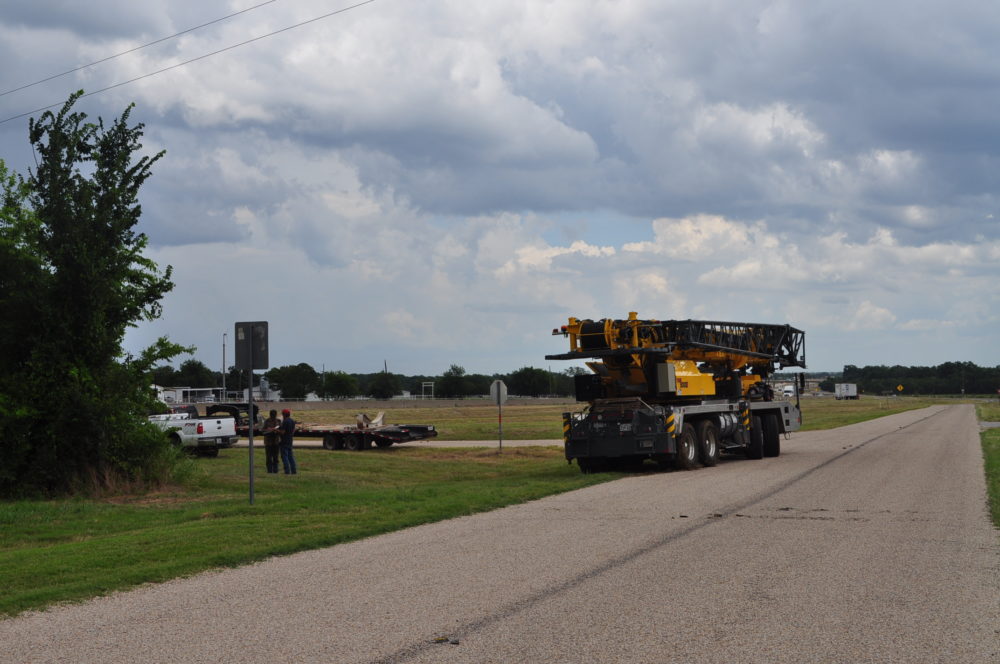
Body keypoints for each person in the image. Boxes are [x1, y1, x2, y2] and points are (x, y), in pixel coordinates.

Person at [278, 408, 297, 475]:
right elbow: (293, 431)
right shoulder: (292, 421)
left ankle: (287, 471)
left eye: (282, 414)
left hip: (284, 441)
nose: (282, 415)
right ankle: (294, 471)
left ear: (284, 414)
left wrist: (276, 430)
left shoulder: (285, 421)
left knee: (284, 457)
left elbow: (282, 432)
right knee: (291, 457)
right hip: (290, 440)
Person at [262, 409, 281, 474]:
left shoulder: (278, 421)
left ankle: (275, 470)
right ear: (270, 415)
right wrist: (269, 429)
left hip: (276, 442)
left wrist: (277, 430)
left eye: (274, 415)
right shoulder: (267, 421)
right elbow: (263, 430)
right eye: (272, 415)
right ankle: (269, 471)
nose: (273, 416)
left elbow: (281, 430)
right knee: (268, 457)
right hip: (268, 442)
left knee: (275, 457)